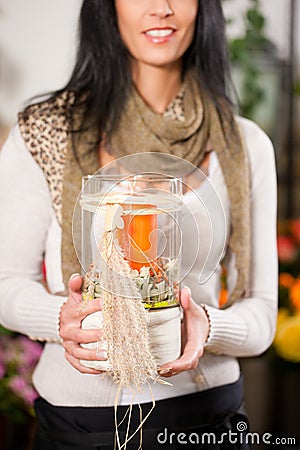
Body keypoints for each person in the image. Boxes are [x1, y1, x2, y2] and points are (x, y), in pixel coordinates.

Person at [0, 0, 278, 449]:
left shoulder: (244, 145)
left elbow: (262, 314)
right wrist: (65, 319)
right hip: (78, 425)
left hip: (207, 417)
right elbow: (7, 283)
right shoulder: (48, 132)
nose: (161, 8)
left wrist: (205, 326)